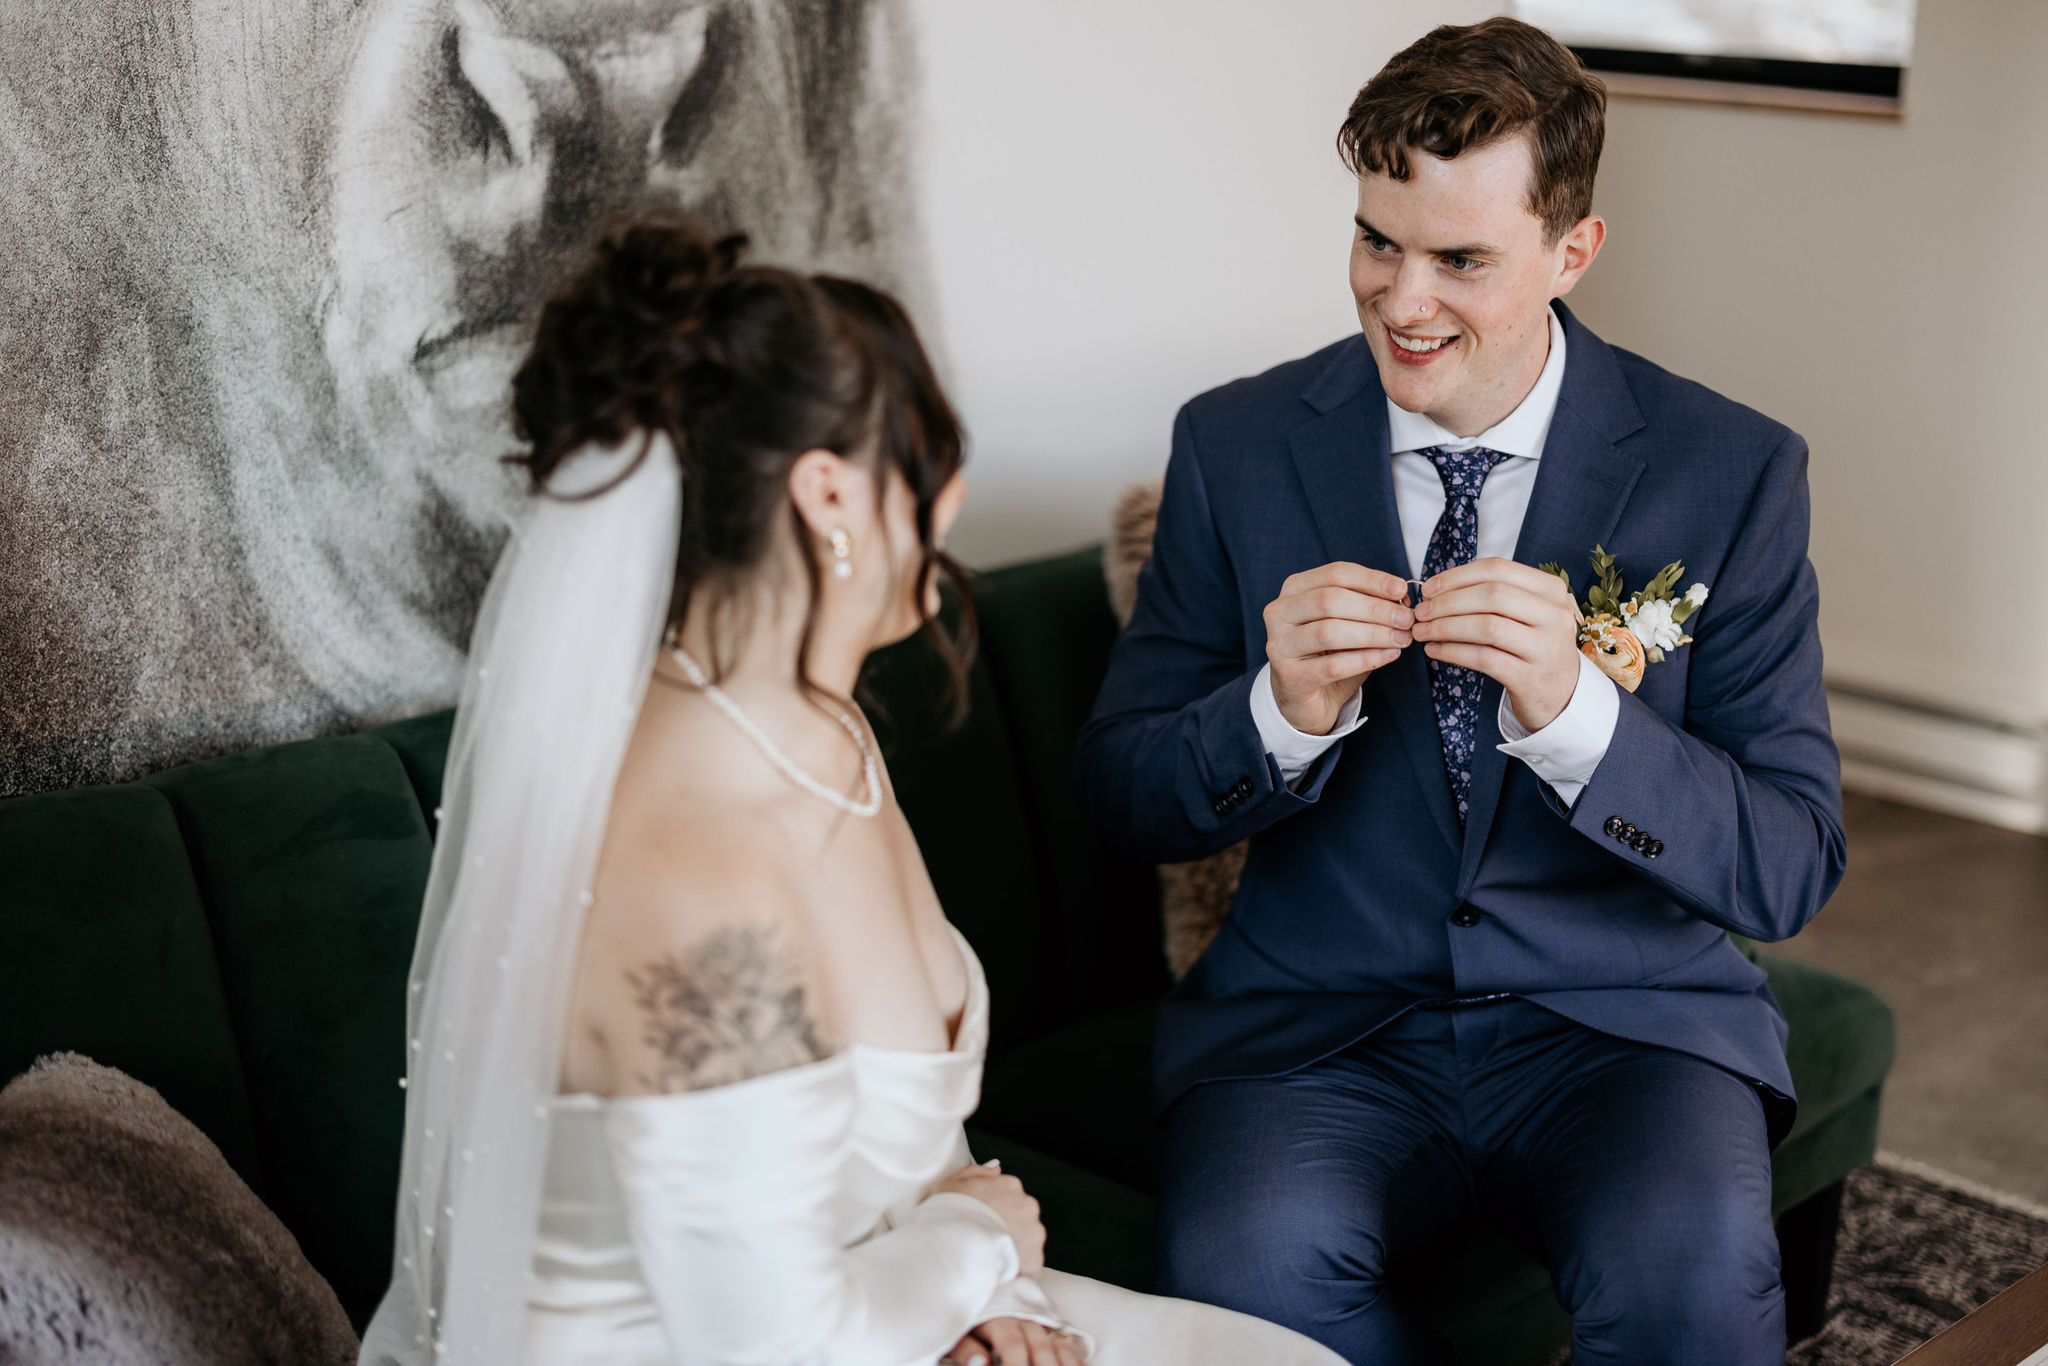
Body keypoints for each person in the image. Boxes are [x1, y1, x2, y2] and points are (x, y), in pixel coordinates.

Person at [357, 213, 1346, 1366]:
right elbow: (772, 1340)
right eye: (924, 453)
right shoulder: (691, 885)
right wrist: (973, 1247)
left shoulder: (818, 727)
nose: (955, 490)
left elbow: (916, 1151)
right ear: (828, 495)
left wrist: (991, 1299)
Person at [1076, 18, 1844, 1365]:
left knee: (1695, 1284)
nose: (1401, 298)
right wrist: (1273, 712)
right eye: (1379, 239)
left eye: (1461, 259)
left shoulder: (1735, 470)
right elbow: (1122, 789)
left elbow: (1789, 863)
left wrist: (1579, 716)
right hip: (1313, 1033)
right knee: (1240, 1279)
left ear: (1572, 253)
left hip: (1624, 1027)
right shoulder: (1235, 444)